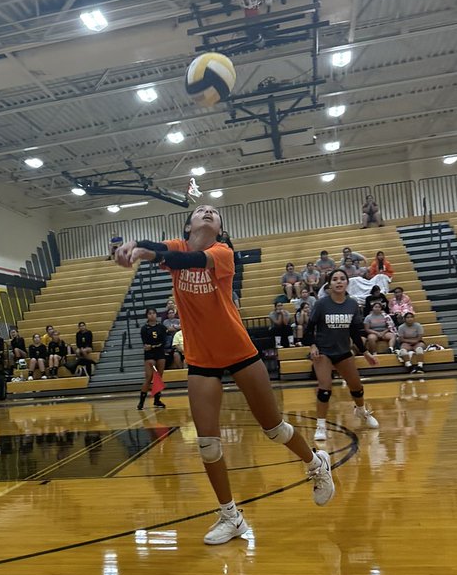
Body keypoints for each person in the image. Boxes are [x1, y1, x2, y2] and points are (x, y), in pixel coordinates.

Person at [116, 205, 335, 545]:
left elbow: (185, 260)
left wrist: (146, 253)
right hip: (201, 358)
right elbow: (161, 249)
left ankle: (316, 463)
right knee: (207, 445)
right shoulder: (175, 247)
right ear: (188, 225)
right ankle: (231, 516)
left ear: (219, 229)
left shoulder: (222, 253)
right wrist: (134, 246)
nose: (207, 212)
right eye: (200, 210)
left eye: (213, 212)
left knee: (275, 429)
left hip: (239, 351)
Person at [305, 268, 380, 443]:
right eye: (335, 279)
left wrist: (365, 352)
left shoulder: (352, 304)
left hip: (343, 352)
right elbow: (309, 329)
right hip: (323, 352)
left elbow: (355, 332)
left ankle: (361, 411)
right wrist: (312, 345)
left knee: (357, 387)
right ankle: (321, 426)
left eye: (342, 279)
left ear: (347, 283)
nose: (338, 282)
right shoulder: (321, 304)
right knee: (325, 389)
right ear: (329, 284)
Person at [138, 307, 167, 410]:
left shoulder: (161, 327)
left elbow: (163, 342)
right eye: (150, 313)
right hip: (149, 355)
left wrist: (153, 346)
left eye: (154, 313)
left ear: (156, 314)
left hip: (160, 354)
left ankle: (157, 400)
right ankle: (141, 402)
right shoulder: (144, 329)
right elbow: (146, 344)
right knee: (149, 377)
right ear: (147, 316)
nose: (152, 315)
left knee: (158, 378)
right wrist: (152, 346)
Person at [162, 305, 184, 369]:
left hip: (178, 336)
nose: (171, 314)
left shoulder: (178, 320)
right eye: (169, 313)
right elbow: (168, 329)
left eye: (172, 312)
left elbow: (181, 327)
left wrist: (173, 327)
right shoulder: (165, 321)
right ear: (167, 315)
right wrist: (176, 327)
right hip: (169, 337)